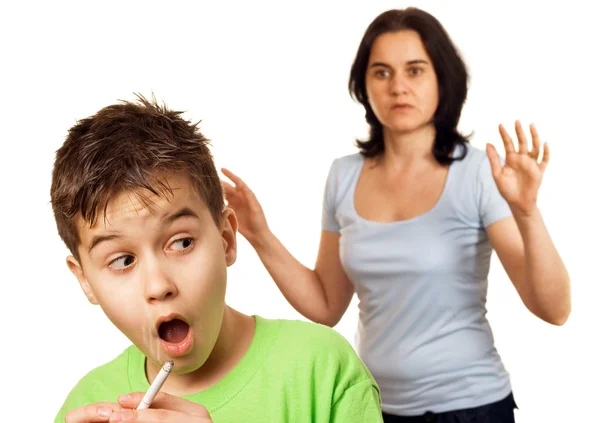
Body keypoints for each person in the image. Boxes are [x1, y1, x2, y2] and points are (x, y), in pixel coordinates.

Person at [220, 7, 571, 423]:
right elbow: (327, 305)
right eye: (382, 72)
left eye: (415, 70)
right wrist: (260, 234)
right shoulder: (343, 176)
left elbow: (554, 309)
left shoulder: (476, 172)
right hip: (371, 406)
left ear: (443, 78)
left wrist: (527, 212)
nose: (398, 87)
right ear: (363, 85)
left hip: (471, 408)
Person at [51, 94, 383, 423]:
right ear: (85, 281)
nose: (158, 285)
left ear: (225, 239)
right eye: (122, 261)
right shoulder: (84, 405)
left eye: (181, 243)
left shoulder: (322, 370)